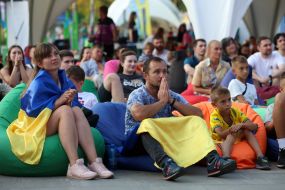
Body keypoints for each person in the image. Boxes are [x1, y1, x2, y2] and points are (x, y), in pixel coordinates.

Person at [6, 43, 113, 180]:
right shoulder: (38, 82)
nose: (54, 58)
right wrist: (61, 101)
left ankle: (94, 162)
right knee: (64, 111)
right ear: (39, 63)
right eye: (48, 56)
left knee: (75, 110)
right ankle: (74, 164)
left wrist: (70, 100)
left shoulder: (64, 78)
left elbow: (74, 105)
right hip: (35, 124)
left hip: (52, 119)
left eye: (56, 54)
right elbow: (33, 111)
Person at [125, 57, 236, 180]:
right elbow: (138, 114)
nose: (162, 76)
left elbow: (198, 114)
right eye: (157, 72)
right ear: (145, 75)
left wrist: (171, 101)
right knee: (146, 124)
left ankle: (213, 161)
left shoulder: (171, 95)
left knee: (196, 121)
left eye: (165, 71)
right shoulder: (137, 94)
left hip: (164, 139)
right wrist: (162, 102)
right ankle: (166, 165)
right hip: (136, 141)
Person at [210, 87, 270, 170]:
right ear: (214, 105)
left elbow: (254, 126)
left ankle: (260, 157)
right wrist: (232, 128)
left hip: (235, 135)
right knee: (231, 134)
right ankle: (226, 158)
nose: (228, 104)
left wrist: (242, 125)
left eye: (229, 100)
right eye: (223, 102)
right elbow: (221, 134)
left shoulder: (235, 111)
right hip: (221, 140)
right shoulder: (214, 116)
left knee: (246, 130)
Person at [264, 78, 285, 168]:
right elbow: (267, 128)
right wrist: (277, 119)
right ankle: (283, 150)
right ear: (282, 90)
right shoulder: (272, 106)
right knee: (267, 142)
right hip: (278, 143)